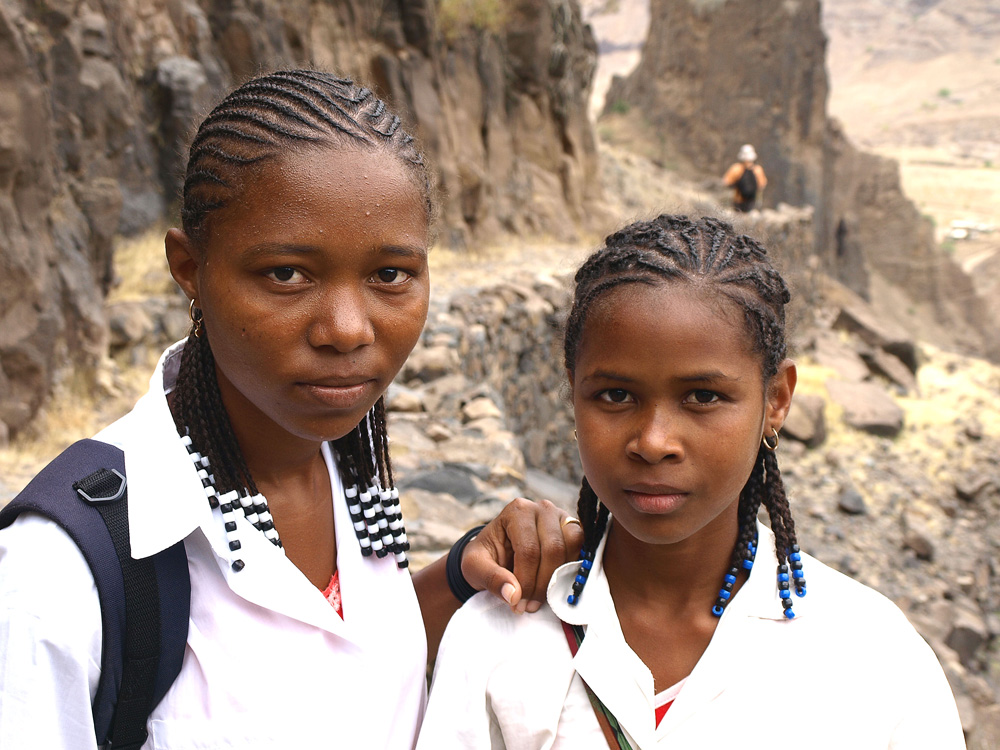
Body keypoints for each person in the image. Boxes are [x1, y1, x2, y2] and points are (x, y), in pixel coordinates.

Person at [0, 69, 582, 749]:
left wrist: (457, 576)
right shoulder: (55, 578)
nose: (347, 329)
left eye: (389, 275)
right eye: (286, 274)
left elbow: (337, 675)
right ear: (189, 269)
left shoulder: (340, 459)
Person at [416, 214, 965, 749]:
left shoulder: (870, 656)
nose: (653, 441)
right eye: (614, 395)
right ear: (572, 390)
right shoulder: (499, 637)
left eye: (703, 397)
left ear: (776, 400)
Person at [723, 144, 766, 212]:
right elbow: (762, 185)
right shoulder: (758, 169)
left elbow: (726, 182)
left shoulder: (736, 168)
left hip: (738, 200)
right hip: (752, 202)